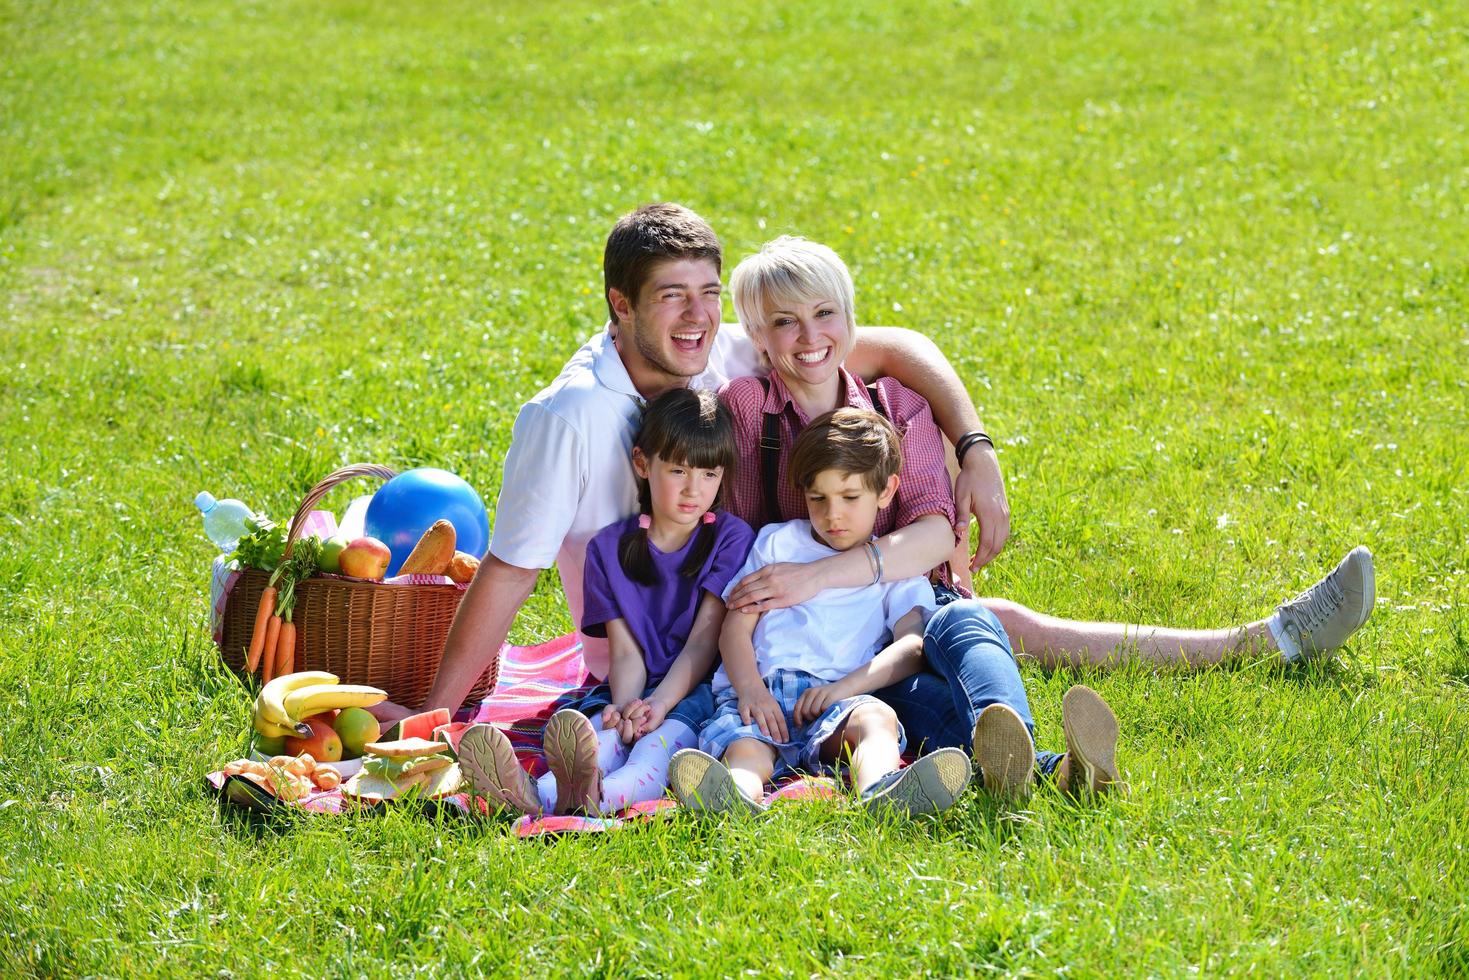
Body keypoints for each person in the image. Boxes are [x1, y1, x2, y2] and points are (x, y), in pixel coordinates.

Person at [716, 235, 1374, 795]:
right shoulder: (745, 410)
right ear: (755, 335)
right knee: (941, 700)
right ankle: (1050, 771)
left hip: (901, 616)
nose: (807, 337)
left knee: (974, 620)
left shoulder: (895, 405)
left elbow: (931, 531)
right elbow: (734, 541)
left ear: (850, 319)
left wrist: (823, 577)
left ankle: (1259, 641)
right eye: (782, 322)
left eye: (824, 314)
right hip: (809, 649)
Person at [407, 203, 1012, 720]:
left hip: (808, 611)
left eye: (708, 295)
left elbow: (893, 346)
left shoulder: (722, 349)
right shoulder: (568, 417)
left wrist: (975, 448)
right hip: (667, 659)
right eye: (673, 297)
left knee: (966, 627)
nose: (697, 317)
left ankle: (1034, 754)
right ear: (621, 304)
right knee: (953, 646)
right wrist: (429, 716)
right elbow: (510, 571)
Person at [457, 388, 755, 816]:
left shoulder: (729, 538)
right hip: (630, 688)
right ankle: (532, 791)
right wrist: (626, 705)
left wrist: (658, 705)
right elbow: (626, 650)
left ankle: (592, 799)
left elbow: (704, 641)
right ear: (642, 464)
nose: (694, 489)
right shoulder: (608, 549)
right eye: (678, 471)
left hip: (693, 692)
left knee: (654, 749)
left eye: (709, 474)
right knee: (602, 736)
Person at [668, 409, 978, 816]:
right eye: (818, 498)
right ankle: (735, 795)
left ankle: (882, 792)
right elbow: (734, 628)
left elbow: (912, 645)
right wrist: (750, 690)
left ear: (885, 491)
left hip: (838, 696)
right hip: (765, 690)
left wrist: (845, 690)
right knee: (745, 746)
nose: (833, 515)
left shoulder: (893, 568)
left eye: (850, 498)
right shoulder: (778, 544)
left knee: (876, 721)